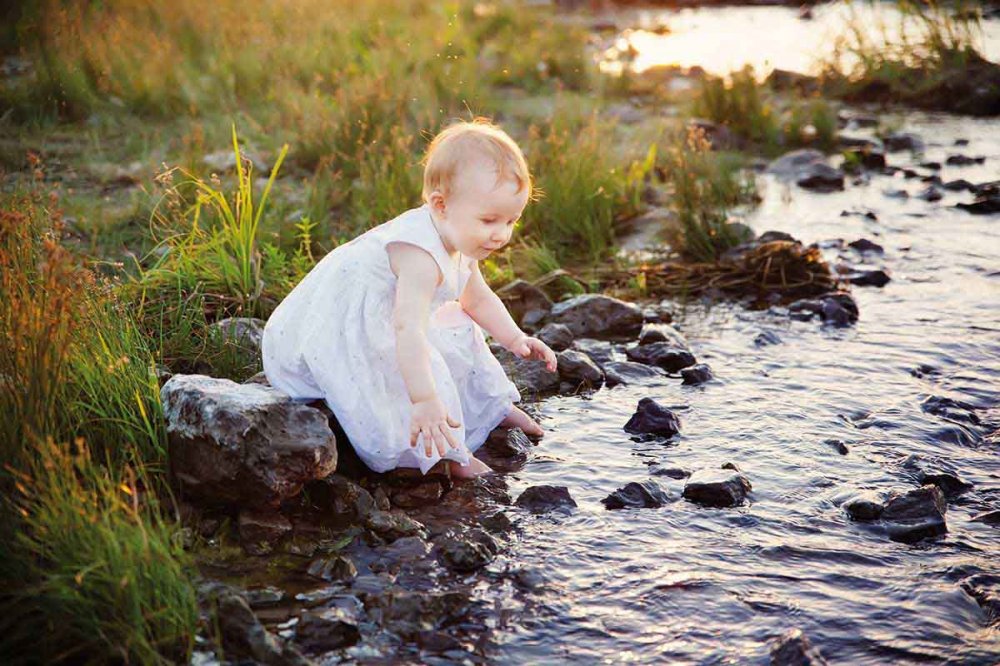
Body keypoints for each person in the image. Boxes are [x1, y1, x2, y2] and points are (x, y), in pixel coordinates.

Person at [262, 118, 557, 479]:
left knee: (460, 325)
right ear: (441, 205)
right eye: (489, 220)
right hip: (340, 323)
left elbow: (476, 298)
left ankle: (489, 407)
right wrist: (425, 400)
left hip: (395, 313)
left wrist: (516, 339)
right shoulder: (419, 256)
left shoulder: (459, 236)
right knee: (411, 363)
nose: (501, 235)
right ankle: (440, 451)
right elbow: (408, 332)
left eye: (511, 221)